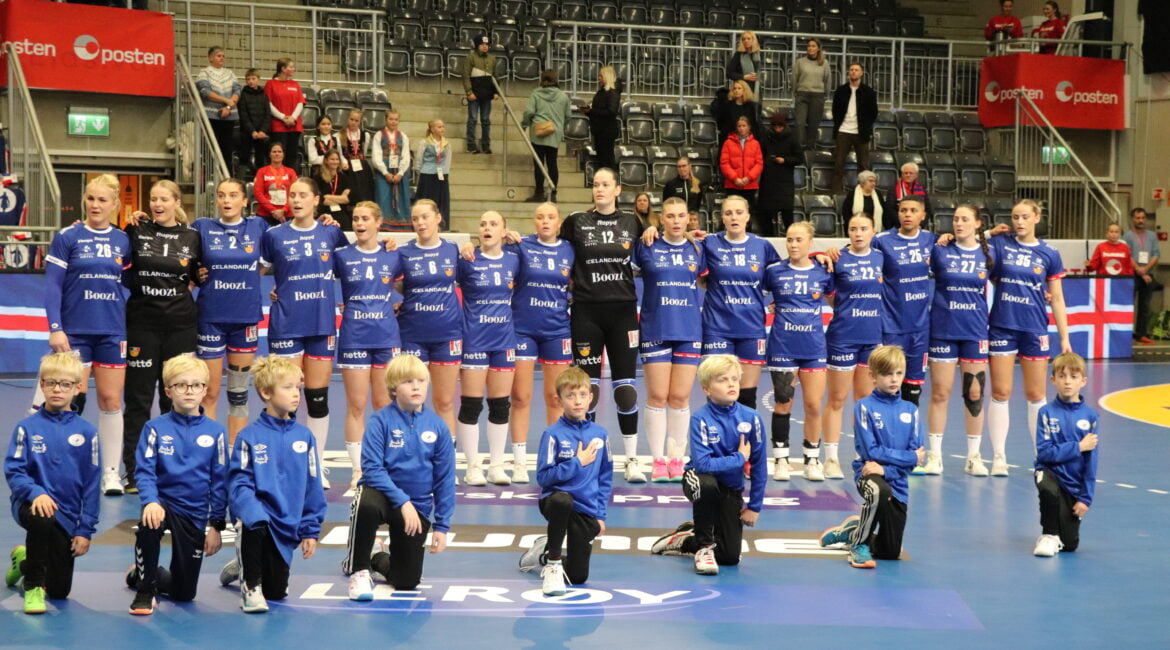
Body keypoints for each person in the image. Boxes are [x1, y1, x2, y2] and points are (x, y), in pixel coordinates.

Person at [42, 174, 130, 496]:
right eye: (90, 198)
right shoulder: (68, 236)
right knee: (68, 398)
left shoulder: (124, 240)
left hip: (112, 332)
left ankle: (110, 474)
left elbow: (131, 281)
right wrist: (56, 328)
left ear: (115, 204)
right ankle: (60, 468)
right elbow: (52, 286)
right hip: (74, 333)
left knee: (111, 400)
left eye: (102, 200)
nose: (95, 205)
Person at [218, 356, 326, 613]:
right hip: (258, 519)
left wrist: (310, 530)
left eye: (297, 387)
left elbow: (313, 486)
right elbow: (238, 483)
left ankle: (239, 565)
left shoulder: (305, 436)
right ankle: (250, 587)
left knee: (276, 591)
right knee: (253, 520)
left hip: (286, 523)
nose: (296, 394)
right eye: (287, 387)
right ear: (266, 393)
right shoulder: (249, 436)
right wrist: (251, 511)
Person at [342, 354, 454, 599]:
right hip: (383, 496)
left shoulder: (438, 426)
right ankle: (358, 570)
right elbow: (372, 469)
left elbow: (444, 479)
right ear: (393, 389)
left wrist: (442, 525)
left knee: (406, 581)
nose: (416, 387)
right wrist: (403, 501)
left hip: (417, 506)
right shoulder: (380, 421)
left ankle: (375, 556)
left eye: (421, 381)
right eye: (407, 382)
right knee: (365, 503)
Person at [260, 178, 349, 489]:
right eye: (292, 195)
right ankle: (286, 461)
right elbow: (254, 270)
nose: (296, 200)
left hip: (321, 322)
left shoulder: (331, 232)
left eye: (302, 195)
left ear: (316, 200)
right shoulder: (274, 235)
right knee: (286, 396)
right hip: (287, 322)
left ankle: (316, 463)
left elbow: (353, 264)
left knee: (317, 396)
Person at [560, 168, 646, 482]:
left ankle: (632, 459)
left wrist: (653, 230)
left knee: (626, 390)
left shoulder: (633, 222)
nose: (599, 189)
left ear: (617, 190)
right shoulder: (576, 221)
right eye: (596, 184)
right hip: (586, 313)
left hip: (623, 312)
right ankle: (590, 457)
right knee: (588, 390)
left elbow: (650, 247)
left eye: (605, 184)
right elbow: (552, 247)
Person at [125, 355, 228, 615]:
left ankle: (143, 573)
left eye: (196, 385)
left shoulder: (215, 432)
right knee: (149, 523)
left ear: (205, 390)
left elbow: (220, 482)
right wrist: (150, 501)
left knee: (184, 594)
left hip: (193, 511)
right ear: (168, 390)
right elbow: (145, 471)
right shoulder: (155, 428)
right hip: (162, 504)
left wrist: (216, 525)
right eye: (181, 385)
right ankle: (145, 590)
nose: (189, 391)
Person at [649, 354, 765, 575]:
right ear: (706, 389)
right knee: (707, 485)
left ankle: (686, 538)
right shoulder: (700, 418)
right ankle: (703, 547)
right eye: (722, 380)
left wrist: (754, 506)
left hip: (730, 487)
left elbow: (759, 465)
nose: (731, 384)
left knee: (729, 557)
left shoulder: (752, 418)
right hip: (698, 479)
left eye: (734, 379)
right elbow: (702, 465)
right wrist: (739, 458)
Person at [122, 181, 202, 494]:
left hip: (180, 327)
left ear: (176, 202)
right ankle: (134, 471)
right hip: (142, 325)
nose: (157, 204)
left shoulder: (192, 236)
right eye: (153, 199)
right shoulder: (136, 230)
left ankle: (174, 468)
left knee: (176, 399)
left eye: (164, 199)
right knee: (139, 399)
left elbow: (199, 274)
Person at [4, 353, 99, 615]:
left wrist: (84, 530)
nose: (58, 389)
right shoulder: (26, 427)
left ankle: (24, 560)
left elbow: (92, 485)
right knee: (42, 516)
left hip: (66, 514)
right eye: (51, 383)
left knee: (59, 590)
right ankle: (33, 586)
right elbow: (14, 470)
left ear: (78, 387)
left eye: (65, 384)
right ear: (42, 385)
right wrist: (36, 493)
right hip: (30, 504)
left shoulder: (87, 432)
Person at [986, 199, 1071, 477]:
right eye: (1015, 217)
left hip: (1034, 327)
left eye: (1024, 216)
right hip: (1002, 325)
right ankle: (999, 456)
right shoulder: (1001, 244)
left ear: (1036, 217)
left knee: (1036, 394)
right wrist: (988, 233)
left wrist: (1065, 337)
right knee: (1001, 392)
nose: (1019, 222)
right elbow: (972, 248)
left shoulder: (1049, 253)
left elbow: (1056, 297)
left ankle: (1042, 458)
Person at [819, 345, 923, 569]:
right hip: (867, 474)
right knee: (879, 490)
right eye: (887, 374)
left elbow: (917, 457)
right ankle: (859, 545)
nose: (893, 379)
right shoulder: (864, 407)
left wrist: (887, 469)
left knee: (890, 552)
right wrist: (908, 458)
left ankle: (852, 531)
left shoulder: (911, 410)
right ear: (873, 376)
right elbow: (871, 452)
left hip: (897, 480)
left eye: (899, 373)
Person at [518, 366, 612, 595]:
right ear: (558, 400)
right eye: (570, 396)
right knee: (562, 500)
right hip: (555, 502)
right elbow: (544, 477)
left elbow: (605, 477)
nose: (577, 401)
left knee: (578, 577)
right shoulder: (553, 434)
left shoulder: (600, 434)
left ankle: (543, 551)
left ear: (591, 397)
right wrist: (577, 462)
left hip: (585, 507)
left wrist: (600, 515)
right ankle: (553, 563)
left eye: (582, 395)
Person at [192, 178, 268, 444]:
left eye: (233, 195)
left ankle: (236, 451)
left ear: (244, 201)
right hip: (211, 318)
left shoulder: (258, 227)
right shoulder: (202, 227)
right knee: (209, 393)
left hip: (244, 318)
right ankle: (210, 450)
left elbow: (282, 248)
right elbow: (176, 240)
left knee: (238, 393)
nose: (226, 200)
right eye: (222, 195)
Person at [634, 198, 705, 482]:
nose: (676, 221)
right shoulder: (647, 245)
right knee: (657, 396)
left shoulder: (698, 248)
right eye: (670, 216)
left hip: (688, 329)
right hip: (656, 327)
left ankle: (677, 458)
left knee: (679, 397)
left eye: (681, 216)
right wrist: (646, 232)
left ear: (688, 219)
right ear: (661, 219)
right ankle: (657, 460)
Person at [334, 202, 404, 489]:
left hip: (386, 336)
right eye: (355, 219)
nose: (360, 223)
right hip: (354, 336)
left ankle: (384, 464)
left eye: (365, 219)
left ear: (378, 222)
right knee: (356, 404)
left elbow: (411, 286)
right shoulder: (342, 256)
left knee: (385, 404)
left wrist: (401, 302)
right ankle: (358, 469)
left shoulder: (393, 255)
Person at [508, 203, 574, 484]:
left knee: (556, 397)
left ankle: (554, 457)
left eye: (550, 217)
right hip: (522, 330)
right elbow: (489, 253)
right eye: (540, 217)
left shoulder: (569, 249)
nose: (545, 221)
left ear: (559, 222)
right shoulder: (520, 246)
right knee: (521, 397)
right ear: (534, 221)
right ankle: (519, 461)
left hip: (557, 330)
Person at [697, 195, 781, 413]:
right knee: (718, 393)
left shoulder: (762, 246)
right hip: (717, 328)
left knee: (746, 396)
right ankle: (717, 435)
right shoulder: (710, 243)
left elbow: (783, 275)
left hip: (751, 328)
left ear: (748, 217)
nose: (734, 217)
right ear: (722, 218)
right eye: (728, 213)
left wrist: (779, 299)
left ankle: (744, 435)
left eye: (739, 212)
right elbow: (685, 253)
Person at [926, 205, 993, 477]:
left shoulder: (989, 253)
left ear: (978, 223)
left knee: (974, 394)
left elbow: (1011, 279)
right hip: (943, 329)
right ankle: (934, 456)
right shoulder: (940, 250)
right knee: (940, 393)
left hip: (975, 331)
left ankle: (974, 457)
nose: (958, 223)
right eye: (955, 219)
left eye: (965, 219)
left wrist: (1044, 293)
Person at [763, 222, 832, 481]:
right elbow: (755, 294)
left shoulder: (823, 272)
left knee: (813, 405)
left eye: (799, 240)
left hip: (813, 347)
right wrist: (771, 306)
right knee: (783, 402)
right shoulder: (774, 272)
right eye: (789, 239)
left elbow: (834, 299)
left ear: (810, 243)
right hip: (783, 347)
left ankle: (811, 459)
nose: (793, 244)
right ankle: (781, 460)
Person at [456, 212, 520, 486]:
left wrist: (519, 239)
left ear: (504, 231)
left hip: (503, 339)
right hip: (474, 339)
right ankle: (472, 467)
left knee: (500, 405)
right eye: (483, 224)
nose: (487, 227)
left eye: (494, 224)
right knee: (471, 405)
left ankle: (496, 466)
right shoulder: (468, 259)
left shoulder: (514, 259)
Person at [822, 214, 884, 482]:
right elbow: (828, 293)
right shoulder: (838, 258)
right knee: (837, 399)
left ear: (873, 231)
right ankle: (831, 458)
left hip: (872, 336)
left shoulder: (881, 257)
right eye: (853, 229)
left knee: (865, 401)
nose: (858, 233)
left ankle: (865, 456)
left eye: (863, 229)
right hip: (843, 336)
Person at [397, 199, 463, 435]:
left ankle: (447, 454)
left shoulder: (453, 249)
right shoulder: (402, 253)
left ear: (438, 218)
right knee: (412, 402)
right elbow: (390, 285)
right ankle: (412, 452)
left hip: (447, 335)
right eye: (415, 219)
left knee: (444, 402)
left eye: (425, 217)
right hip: (413, 335)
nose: (420, 223)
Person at [873, 196, 936, 410]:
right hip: (891, 327)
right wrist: (827, 254)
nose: (907, 214)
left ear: (923, 215)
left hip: (920, 329)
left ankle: (908, 430)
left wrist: (988, 234)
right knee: (888, 387)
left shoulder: (931, 240)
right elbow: (855, 251)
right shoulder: (882, 241)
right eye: (903, 210)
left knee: (913, 391)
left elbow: (964, 244)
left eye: (913, 210)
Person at [1033, 352, 1099, 557]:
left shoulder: (1090, 416)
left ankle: (1060, 534)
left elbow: (1091, 460)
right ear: (1053, 380)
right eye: (1062, 376)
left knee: (1070, 545)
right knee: (1047, 488)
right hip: (1049, 472)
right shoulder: (1046, 412)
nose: (1067, 382)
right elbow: (1045, 452)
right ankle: (1048, 535)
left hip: (1073, 482)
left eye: (1073, 376)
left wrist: (1085, 498)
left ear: (1083, 381)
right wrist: (1078, 447)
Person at [521, 69, 571, 204]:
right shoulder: (563, 97)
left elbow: (529, 112)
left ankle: (539, 193)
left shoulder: (536, 93)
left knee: (539, 164)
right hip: (554, 133)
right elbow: (568, 116)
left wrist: (525, 124)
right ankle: (553, 194)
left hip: (538, 132)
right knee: (552, 163)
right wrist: (560, 126)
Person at [830, 63, 878, 194]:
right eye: (851, 69)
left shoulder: (868, 92)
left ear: (861, 73)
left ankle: (864, 192)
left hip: (861, 133)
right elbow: (835, 110)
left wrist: (865, 126)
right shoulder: (841, 90)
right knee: (838, 164)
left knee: (863, 165)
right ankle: (836, 193)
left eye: (856, 70)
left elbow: (873, 112)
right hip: (843, 131)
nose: (853, 72)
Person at [757, 112, 803, 236]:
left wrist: (785, 160)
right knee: (765, 214)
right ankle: (768, 239)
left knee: (787, 215)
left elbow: (800, 158)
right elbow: (758, 156)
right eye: (775, 126)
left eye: (780, 126)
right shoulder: (765, 138)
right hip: (768, 180)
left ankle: (791, 238)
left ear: (784, 126)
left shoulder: (792, 139)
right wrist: (767, 160)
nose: (777, 129)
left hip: (785, 181)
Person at [196, 46, 240, 173]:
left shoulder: (230, 73)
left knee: (227, 149)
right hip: (211, 116)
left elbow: (237, 90)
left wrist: (228, 107)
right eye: (218, 56)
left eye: (223, 56)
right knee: (210, 148)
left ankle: (226, 176)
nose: (222, 58)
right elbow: (205, 91)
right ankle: (210, 175)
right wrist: (226, 100)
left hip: (229, 116)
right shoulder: (204, 72)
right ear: (210, 58)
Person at [1123, 207, 1161, 345]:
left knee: (1145, 305)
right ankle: (1126, 333)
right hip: (1132, 274)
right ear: (1132, 219)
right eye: (1138, 218)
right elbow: (1127, 254)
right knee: (1129, 305)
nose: (1141, 220)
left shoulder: (1152, 236)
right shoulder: (1127, 236)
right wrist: (1139, 270)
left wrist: (1145, 269)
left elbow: (1156, 254)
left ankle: (1141, 334)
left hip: (1148, 273)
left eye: (1143, 218)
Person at [370, 109, 412, 230]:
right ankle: (384, 225)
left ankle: (402, 225)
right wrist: (385, 172)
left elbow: (406, 156)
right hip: (384, 172)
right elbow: (376, 156)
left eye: (396, 119)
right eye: (391, 119)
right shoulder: (379, 135)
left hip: (399, 172)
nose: (393, 122)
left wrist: (400, 173)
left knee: (401, 197)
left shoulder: (403, 136)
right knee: (383, 197)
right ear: (386, 120)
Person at [263, 58, 305, 172]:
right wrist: (283, 117)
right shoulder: (271, 84)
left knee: (292, 155)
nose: (293, 69)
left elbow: (300, 102)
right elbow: (268, 104)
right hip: (278, 126)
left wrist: (293, 118)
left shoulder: (295, 84)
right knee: (279, 155)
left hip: (294, 125)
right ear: (283, 68)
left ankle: (291, 178)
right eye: (291, 67)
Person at [720, 116, 764, 215]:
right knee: (732, 211)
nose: (741, 128)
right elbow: (724, 163)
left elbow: (759, 164)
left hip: (750, 186)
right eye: (739, 126)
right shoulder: (728, 143)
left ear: (749, 127)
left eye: (744, 126)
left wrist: (749, 178)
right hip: (732, 185)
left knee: (747, 212)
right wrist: (735, 178)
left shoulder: (756, 144)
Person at [793, 37, 831, 150]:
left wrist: (825, 95)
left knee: (813, 124)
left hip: (817, 96)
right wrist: (795, 92)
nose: (810, 48)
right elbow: (794, 78)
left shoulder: (824, 63)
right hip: (802, 94)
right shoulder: (800, 62)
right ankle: (799, 148)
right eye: (809, 46)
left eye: (813, 46)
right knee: (799, 123)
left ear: (818, 48)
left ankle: (810, 148)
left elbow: (828, 80)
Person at [462, 34, 497, 154]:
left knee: (485, 120)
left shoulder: (492, 58)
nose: (485, 46)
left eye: (487, 44)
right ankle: (471, 145)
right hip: (474, 93)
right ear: (477, 45)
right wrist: (469, 92)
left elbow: (495, 76)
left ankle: (486, 145)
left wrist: (496, 91)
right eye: (482, 44)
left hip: (487, 93)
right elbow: (466, 75)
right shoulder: (470, 57)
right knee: (472, 119)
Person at [415, 119, 452, 231]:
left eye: (443, 126)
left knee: (442, 200)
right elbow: (419, 159)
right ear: (432, 129)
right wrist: (420, 171)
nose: (442, 129)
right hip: (427, 174)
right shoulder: (425, 142)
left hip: (441, 174)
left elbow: (448, 160)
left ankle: (441, 225)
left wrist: (445, 171)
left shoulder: (446, 144)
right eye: (439, 127)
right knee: (427, 200)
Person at [584, 66, 621, 172]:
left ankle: (611, 180)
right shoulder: (603, 91)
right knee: (602, 159)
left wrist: (593, 111)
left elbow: (611, 112)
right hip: (600, 130)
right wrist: (589, 112)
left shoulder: (612, 92)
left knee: (607, 160)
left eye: (601, 75)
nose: (599, 78)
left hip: (606, 131)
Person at [254, 141, 297, 226]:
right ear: (269, 154)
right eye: (274, 152)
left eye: (279, 151)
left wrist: (284, 210)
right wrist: (272, 210)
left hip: (287, 214)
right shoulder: (262, 171)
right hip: (265, 214)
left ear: (283, 154)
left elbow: (294, 193)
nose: (277, 154)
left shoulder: (291, 172)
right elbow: (258, 193)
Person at [238, 68, 270, 176]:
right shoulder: (243, 95)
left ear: (258, 79)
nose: (250, 81)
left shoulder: (264, 95)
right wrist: (252, 131)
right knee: (244, 156)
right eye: (248, 79)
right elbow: (243, 115)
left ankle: (260, 179)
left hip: (261, 132)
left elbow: (267, 114)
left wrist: (263, 130)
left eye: (253, 78)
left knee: (261, 157)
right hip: (247, 132)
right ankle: (241, 179)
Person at [340, 108, 374, 206]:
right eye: (351, 119)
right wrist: (344, 163)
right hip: (348, 166)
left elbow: (364, 151)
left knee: (364, 190)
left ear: (360, 122)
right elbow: (340, 153)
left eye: (356, 120)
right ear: (348, 119)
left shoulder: (365, 135)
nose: (353, 123)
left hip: (362, 165)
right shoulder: (340, 135)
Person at [313, 150, 352, 229]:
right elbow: (321, 200)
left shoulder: (343, 177)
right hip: (324, 211)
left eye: (337, 159)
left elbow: (346, 199)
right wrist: (339, 199)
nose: (335, 162)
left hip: (341, 211)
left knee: (347, 225)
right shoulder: (318, 177)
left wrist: (327, 196)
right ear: (326, 161)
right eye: (332, 159)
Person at [885, 163, 929, 231]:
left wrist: (920, 225)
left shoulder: (922, 189)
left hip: (918, 227)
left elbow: (927, 209)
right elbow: (890, 209)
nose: (908, 175)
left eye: (911, 173)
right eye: (905, 173)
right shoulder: (893, 189)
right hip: (898, 227)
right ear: (902, 175)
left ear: (916, 175)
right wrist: (903, 224)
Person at [726, 30, 761, 96]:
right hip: (741, 89)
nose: (746, 41)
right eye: (743, 39)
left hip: (756, 88)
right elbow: (729, 73)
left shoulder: (758, 54)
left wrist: (758, 75)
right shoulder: (738, 55)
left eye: (748, 39)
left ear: (753, 40)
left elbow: (760, 71)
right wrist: (744, 77)